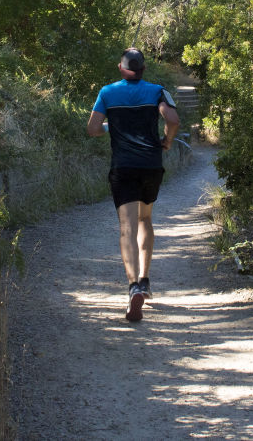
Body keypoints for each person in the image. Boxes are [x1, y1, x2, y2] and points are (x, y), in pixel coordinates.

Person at [87, 48, 180, 322]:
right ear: (143, 69)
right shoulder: (157, 91)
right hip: (151, 166)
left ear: (121, 67)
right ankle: (146, 279)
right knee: (145, 219)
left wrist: (112, 128)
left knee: (126, 226)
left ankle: (133, 288)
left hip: (123, 167)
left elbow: (93, 129)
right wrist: (168, 141)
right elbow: (172, 120)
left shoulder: (107, 92)